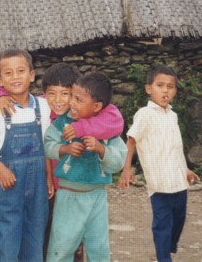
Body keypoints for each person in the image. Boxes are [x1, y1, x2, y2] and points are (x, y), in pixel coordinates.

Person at [0, 62, 124, 261]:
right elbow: (0, 93)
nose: (59, 101)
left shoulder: (87, 115)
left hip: (74, 189)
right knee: (47, 237)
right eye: (52, 94)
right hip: (42, 187)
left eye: (69, 95)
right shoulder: (40, 106)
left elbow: (115, 120)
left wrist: (83, 128)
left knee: (76, 240)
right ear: (45, 93)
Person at [118, 64, 200, 262]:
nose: (165, 90)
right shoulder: (144, 115)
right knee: (162, 224)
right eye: (160, 85)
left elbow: (175, 148)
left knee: (179, 219)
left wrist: (186, 170)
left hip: (178, 182)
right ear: (149, 88)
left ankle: (168, 247)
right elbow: (131, 140)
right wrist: (126, 169)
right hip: (160, 184)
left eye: (170, 87)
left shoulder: (172, 115)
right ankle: (164, 257)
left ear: (175, 91)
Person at [0, 48, 54, 262]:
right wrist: (0, 169)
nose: (15, 77)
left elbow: (47, 147)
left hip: (38, 181)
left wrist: (48, 177)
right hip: (7, 182)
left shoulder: (43, 106)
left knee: (35, 235)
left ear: (31, 75)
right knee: (7, 238)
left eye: (20, 71)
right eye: (8, 73)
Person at [44, 72, 127, 262]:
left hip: (97, 195)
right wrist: (64, 148)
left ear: (97, 106)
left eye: (78, 99)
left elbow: (118, 162)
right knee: (62, 246)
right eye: (72, 96)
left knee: (98, 247)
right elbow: (47, 145)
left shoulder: (107, 129)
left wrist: (101, 149)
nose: (71, 102)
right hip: (68, 195)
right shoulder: (63, 122)